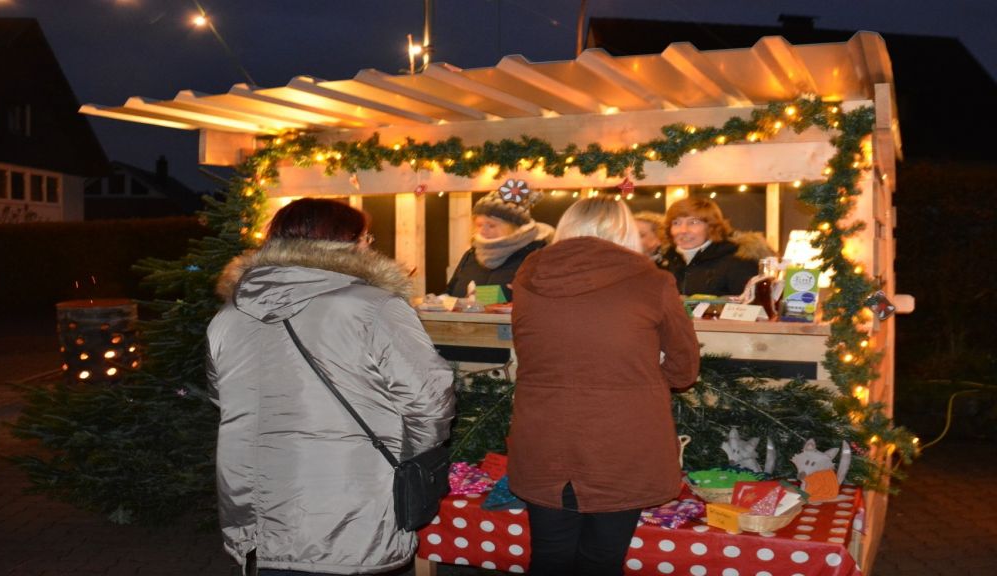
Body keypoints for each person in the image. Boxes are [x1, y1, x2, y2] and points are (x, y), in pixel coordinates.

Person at [206, 198, 455, 576]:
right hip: (350, 503)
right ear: (348, 242)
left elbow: (221, 398)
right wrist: (407, 459)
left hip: (256, 503)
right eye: (366, 236)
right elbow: (429, 401)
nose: (370, 244)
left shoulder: (229, 316)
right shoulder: (375, 307)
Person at [506, 197, 701, 576]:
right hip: (621, 441)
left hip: (543, 435)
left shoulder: (529, 278)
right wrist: (638, 376)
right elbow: (684, 370)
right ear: (624, 230)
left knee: (549, 554)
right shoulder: (653, 281)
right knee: (602, 559)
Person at [446, 187, 553, 301]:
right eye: (479, 225)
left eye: (491, 225)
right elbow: (451, 292)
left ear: (514, 227)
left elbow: (546, 298)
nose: (483, 230)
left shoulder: (535, 257)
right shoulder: (471, 255)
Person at [657, 196, 768, 296]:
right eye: (676, 223)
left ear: (711, 227)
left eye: (693, 222)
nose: (683, 230)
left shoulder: (738, 261)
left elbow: (750, 309)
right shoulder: (662, 262)